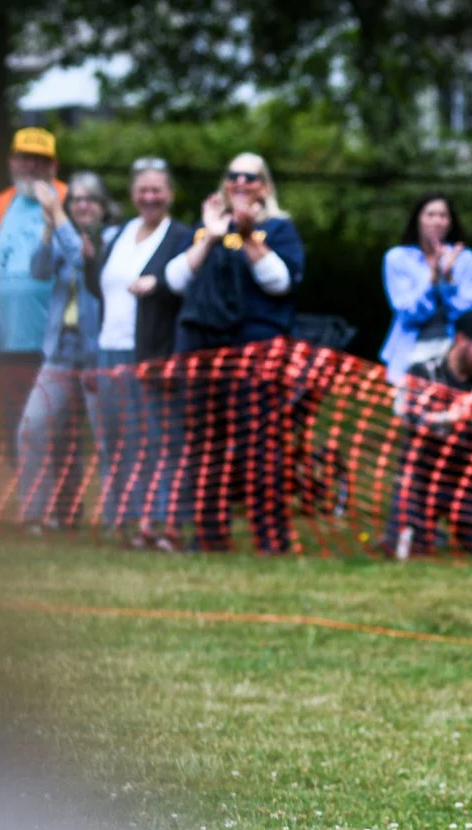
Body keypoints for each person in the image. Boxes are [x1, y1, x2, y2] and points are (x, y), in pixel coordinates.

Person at [164, 153, 306, 552]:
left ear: (265, 185)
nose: (241, 182)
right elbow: (175, 280)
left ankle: (271, 536)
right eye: (234, 175)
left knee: (259, 445)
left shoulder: (278, 229)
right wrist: (211, 235)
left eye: (251, 176)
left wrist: (247, 237)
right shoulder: (206, 227)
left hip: (255, 351)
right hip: (205, 349)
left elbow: (280, 282)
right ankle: (209, 533)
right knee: (205, 443)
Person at [91, 159, 193, 545]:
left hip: (150, 350)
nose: (149, 197)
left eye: (157, 190)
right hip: (109, 347)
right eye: (143, 190)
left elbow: (183, 283)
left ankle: (164, 521)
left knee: (156, 438)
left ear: (171, 194)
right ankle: (127, 520)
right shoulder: (119, 234)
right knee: (117, 440)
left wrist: (158, 284)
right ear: (133, 194)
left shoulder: (180, 236)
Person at [16, 171, 116, 530]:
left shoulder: (114, 239)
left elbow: (81, 256)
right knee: (34, 427)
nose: (82, 205)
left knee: (105, 440)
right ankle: (36, 515)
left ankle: (115, 519)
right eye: (75, 200)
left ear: (103, 206)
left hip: (98, 354)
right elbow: (38, 269)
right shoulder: (62, 234)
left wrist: (57, 215)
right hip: (59, 351)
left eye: (90, 199)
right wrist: (48, 228)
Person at [389, 305, 472, 558]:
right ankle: (423, 533)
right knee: (402, 551)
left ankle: (442, 534)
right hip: (421, 479)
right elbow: (406, 414)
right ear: (461, 339)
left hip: (470, 481)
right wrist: (452, 417)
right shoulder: (422, 371)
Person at [0, 127, 65, 449]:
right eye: (24, 158)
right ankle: (21, 479)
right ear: (12, 161)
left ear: (53, 166)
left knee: (55, 430)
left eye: (40, 159)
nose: (31, 166)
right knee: (15, 424)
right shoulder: (1, 203)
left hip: (54, 342)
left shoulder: (68, 197)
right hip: (10, 337)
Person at [380, 193, 472, 385]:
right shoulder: (397, 258)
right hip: (408, 355)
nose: (437, 221)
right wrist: (432, 280)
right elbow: (407, 312)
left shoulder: (466, 259)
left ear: (450, 222)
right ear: (417, 219)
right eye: (430, 214)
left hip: (453, 356)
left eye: (443, 215)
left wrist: (448, 281)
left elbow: (469, 315)